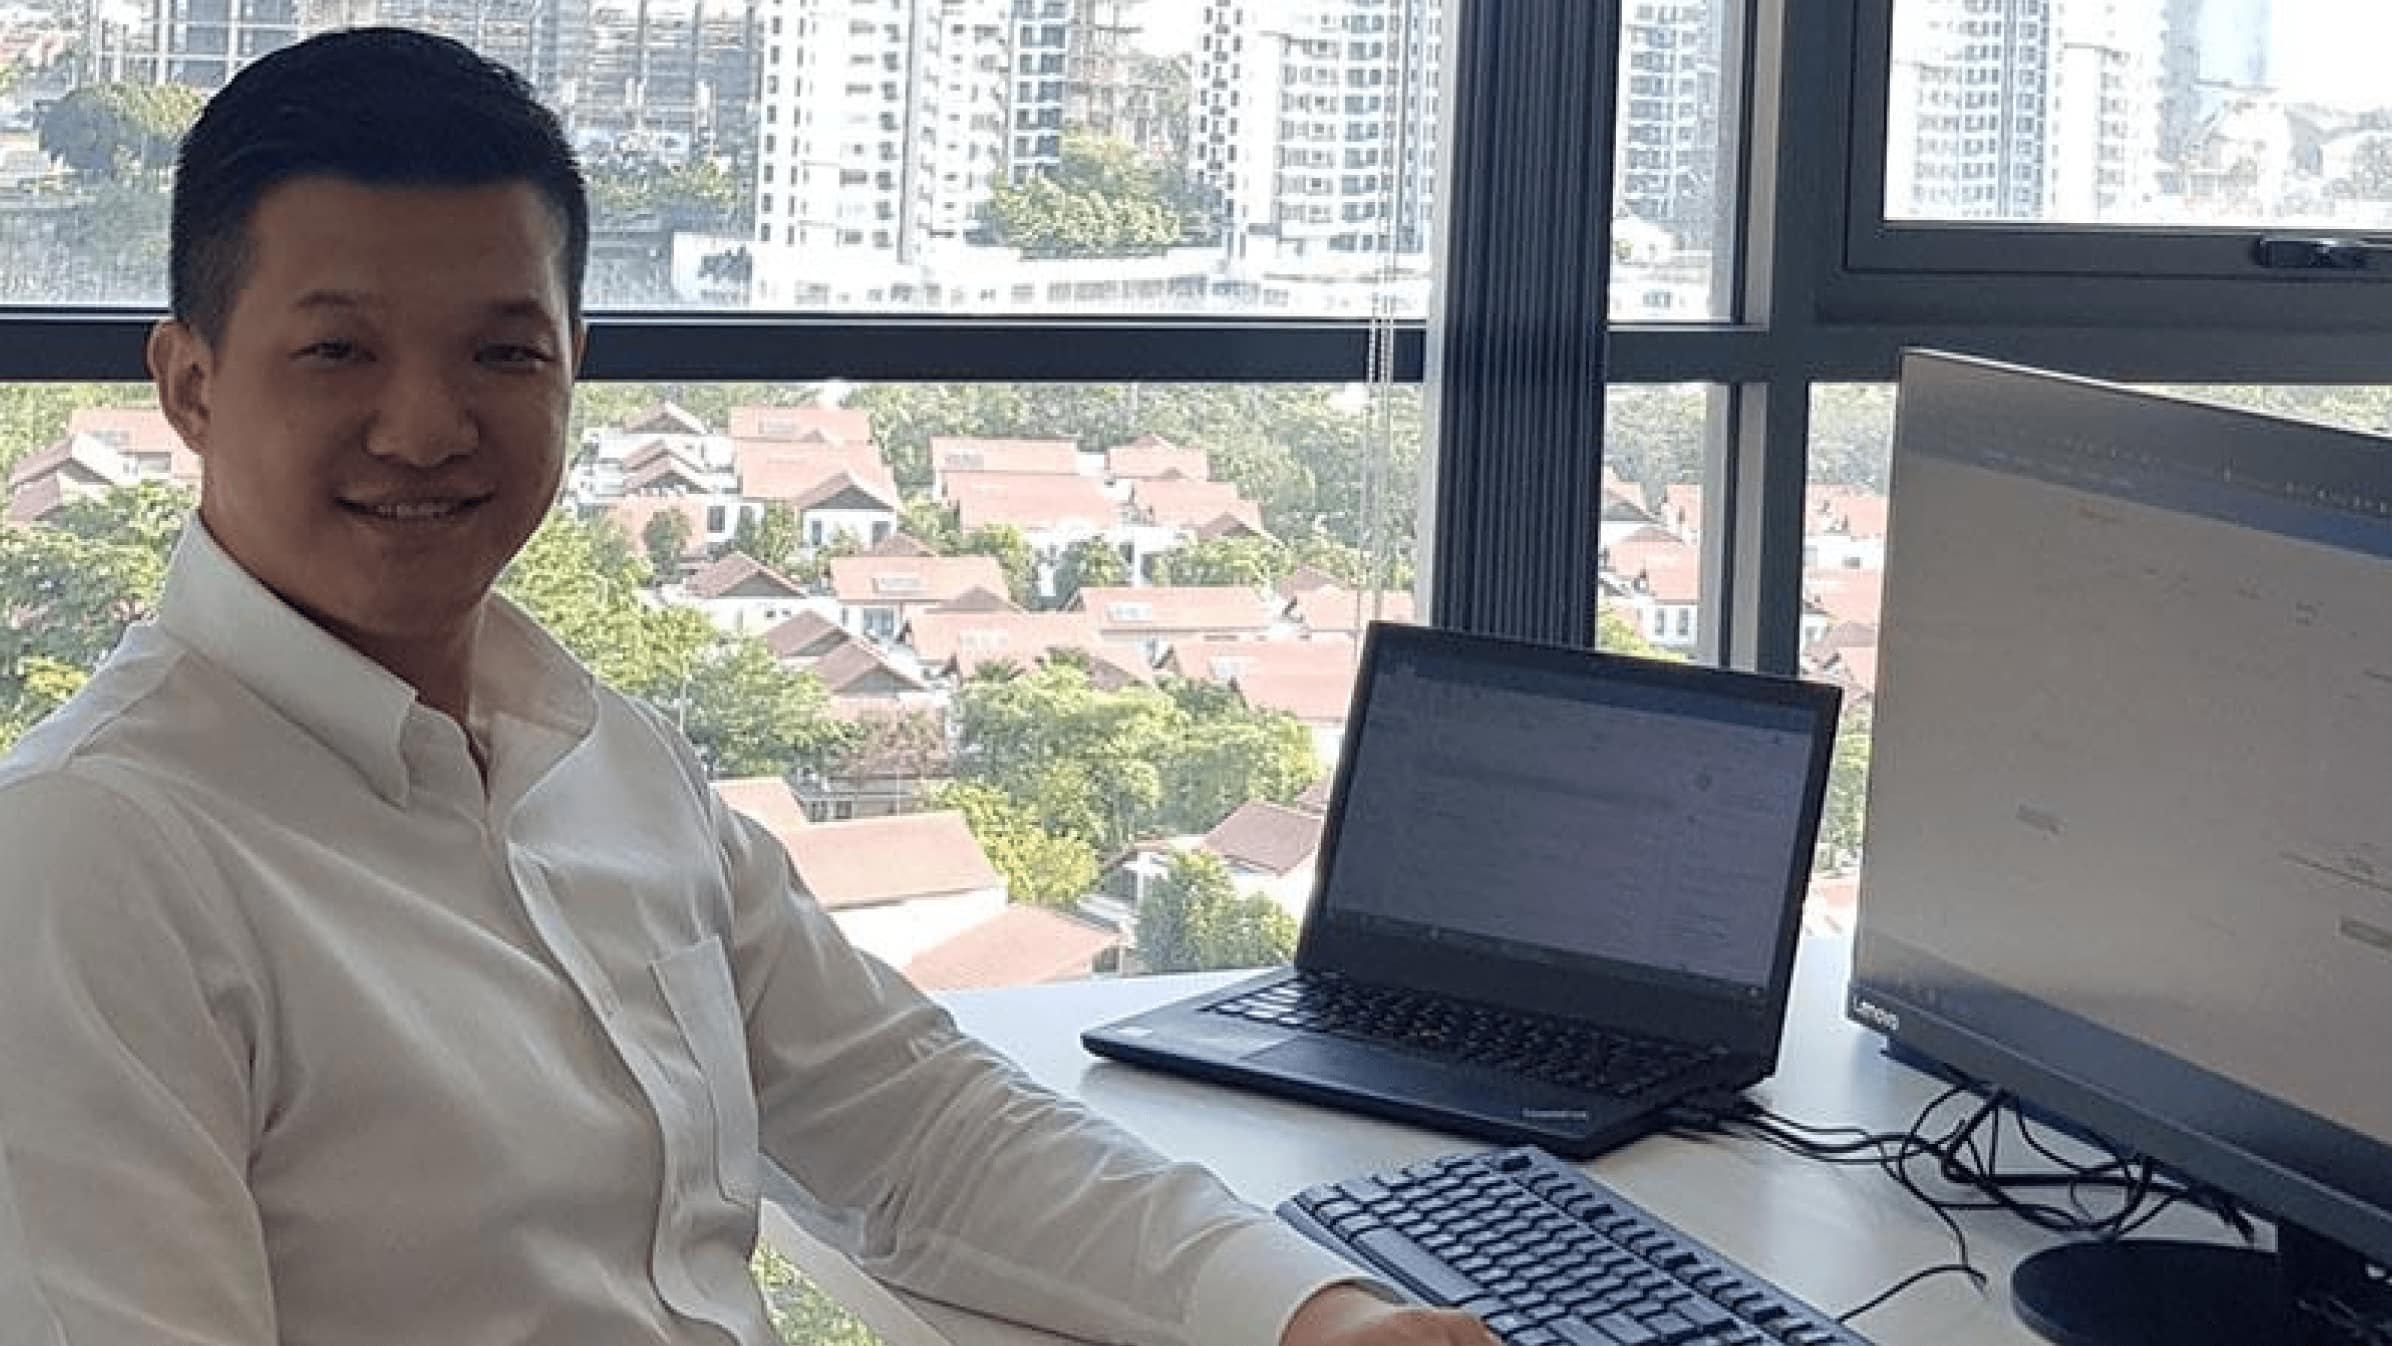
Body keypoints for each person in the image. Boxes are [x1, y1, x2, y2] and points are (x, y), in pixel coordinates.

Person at [0, 28, 1498, 1346]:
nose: (424, 424)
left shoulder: (602, 756)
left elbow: (919, 1126)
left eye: (501, 352)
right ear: (188, 382)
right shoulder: (91, 862)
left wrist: (1310, 1308)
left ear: (574, 362)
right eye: (338, 349)